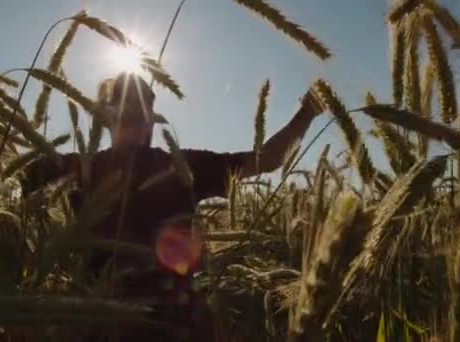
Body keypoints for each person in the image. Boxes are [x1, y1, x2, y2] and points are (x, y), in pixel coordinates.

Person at [20, 72, 325, 340]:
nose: (136, 124)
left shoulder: (181, 167)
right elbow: (19, 176)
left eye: (142, 115)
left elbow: (266, 160)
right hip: (102, 324)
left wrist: (308, 112)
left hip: (173, 324)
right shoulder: (80, 168)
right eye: (127, 115)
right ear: (107, 118)